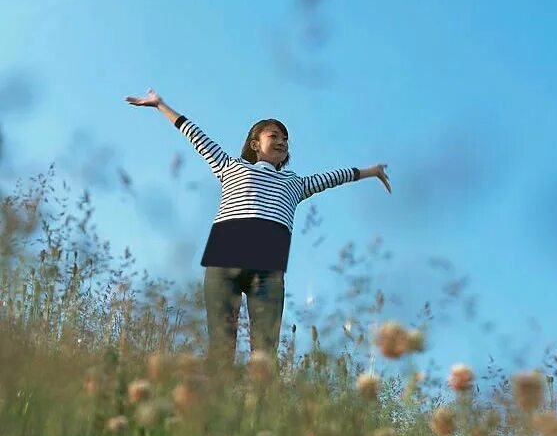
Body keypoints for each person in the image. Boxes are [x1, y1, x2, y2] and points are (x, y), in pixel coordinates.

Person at [124, 88, 391, 367]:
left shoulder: (296, 183)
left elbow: (336, 177)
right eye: (273, 135)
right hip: (224, 259)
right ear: (255, 144)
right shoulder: (230, 166)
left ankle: (258, 407)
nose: (281, 141)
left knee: (264, 356)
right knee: (221, 348)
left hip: (268, 267)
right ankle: (219, 403)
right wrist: (160, 104)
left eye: (285, 138)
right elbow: (194, 134)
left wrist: (370, 171)